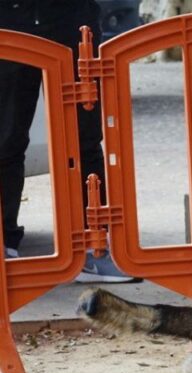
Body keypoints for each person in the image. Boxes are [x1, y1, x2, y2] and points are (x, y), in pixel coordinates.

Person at [1, 0, 136, 282]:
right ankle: (5, 243)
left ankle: (93, 248)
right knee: (6, 138)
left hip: (70, 16)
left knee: (82, 138)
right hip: (10, 16)